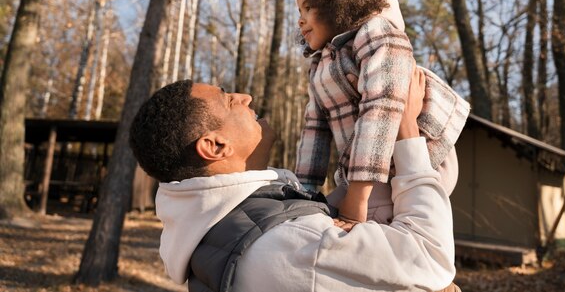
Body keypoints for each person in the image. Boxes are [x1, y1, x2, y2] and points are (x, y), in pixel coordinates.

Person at [129, 70, 459, 292]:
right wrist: (406, 133)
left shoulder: (222, 229)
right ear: (214, 146)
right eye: (229, 99)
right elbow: (430, 261)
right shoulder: (287, 243)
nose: (245, 97)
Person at [294, 0, 470, 228]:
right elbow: (314, 129)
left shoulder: (378, 32)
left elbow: (382, 105)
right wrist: (303, 193)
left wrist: (359, 197)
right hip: (370, 170)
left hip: (422, 156)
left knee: (355, 224)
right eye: (298, 11)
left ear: (337, 3)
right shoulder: (320, 64)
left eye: (308, 8)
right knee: (312, 219)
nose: (300, 20)